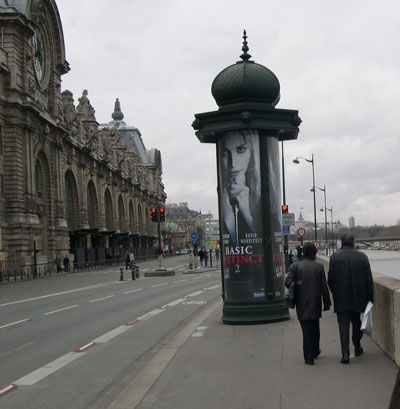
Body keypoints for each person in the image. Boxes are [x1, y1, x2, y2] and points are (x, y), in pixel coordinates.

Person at [328, 231, 374, 364]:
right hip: (358, 297)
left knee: (343, 326)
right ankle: (357, 345)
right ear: (354, 242)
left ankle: (345, 353)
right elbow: (369, 280)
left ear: (341, 243)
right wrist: (370, 299)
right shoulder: (363, 257)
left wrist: (335, 292)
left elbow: (330, 280)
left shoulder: (334, 257)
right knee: (357, 323)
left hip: (341, 297)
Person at [285, 242, 331, 365]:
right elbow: (323, 286)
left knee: (306, 330)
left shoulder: (295, 266)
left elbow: (288, 282)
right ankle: (316, 350)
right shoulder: (319, 266)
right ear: (315, 253)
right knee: (315, 327)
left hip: (301, 301)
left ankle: (308, 357)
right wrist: (327, 303)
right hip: (315, 301)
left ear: (303, 252)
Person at [219, 130, 261, 246]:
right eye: (225, 154)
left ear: (253, 152)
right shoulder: (223, 199)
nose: (233, 164)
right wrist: (228, 213)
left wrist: (247, 213)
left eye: (240, 150)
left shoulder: (265, 198)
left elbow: (262, 243)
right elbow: (232, 245)